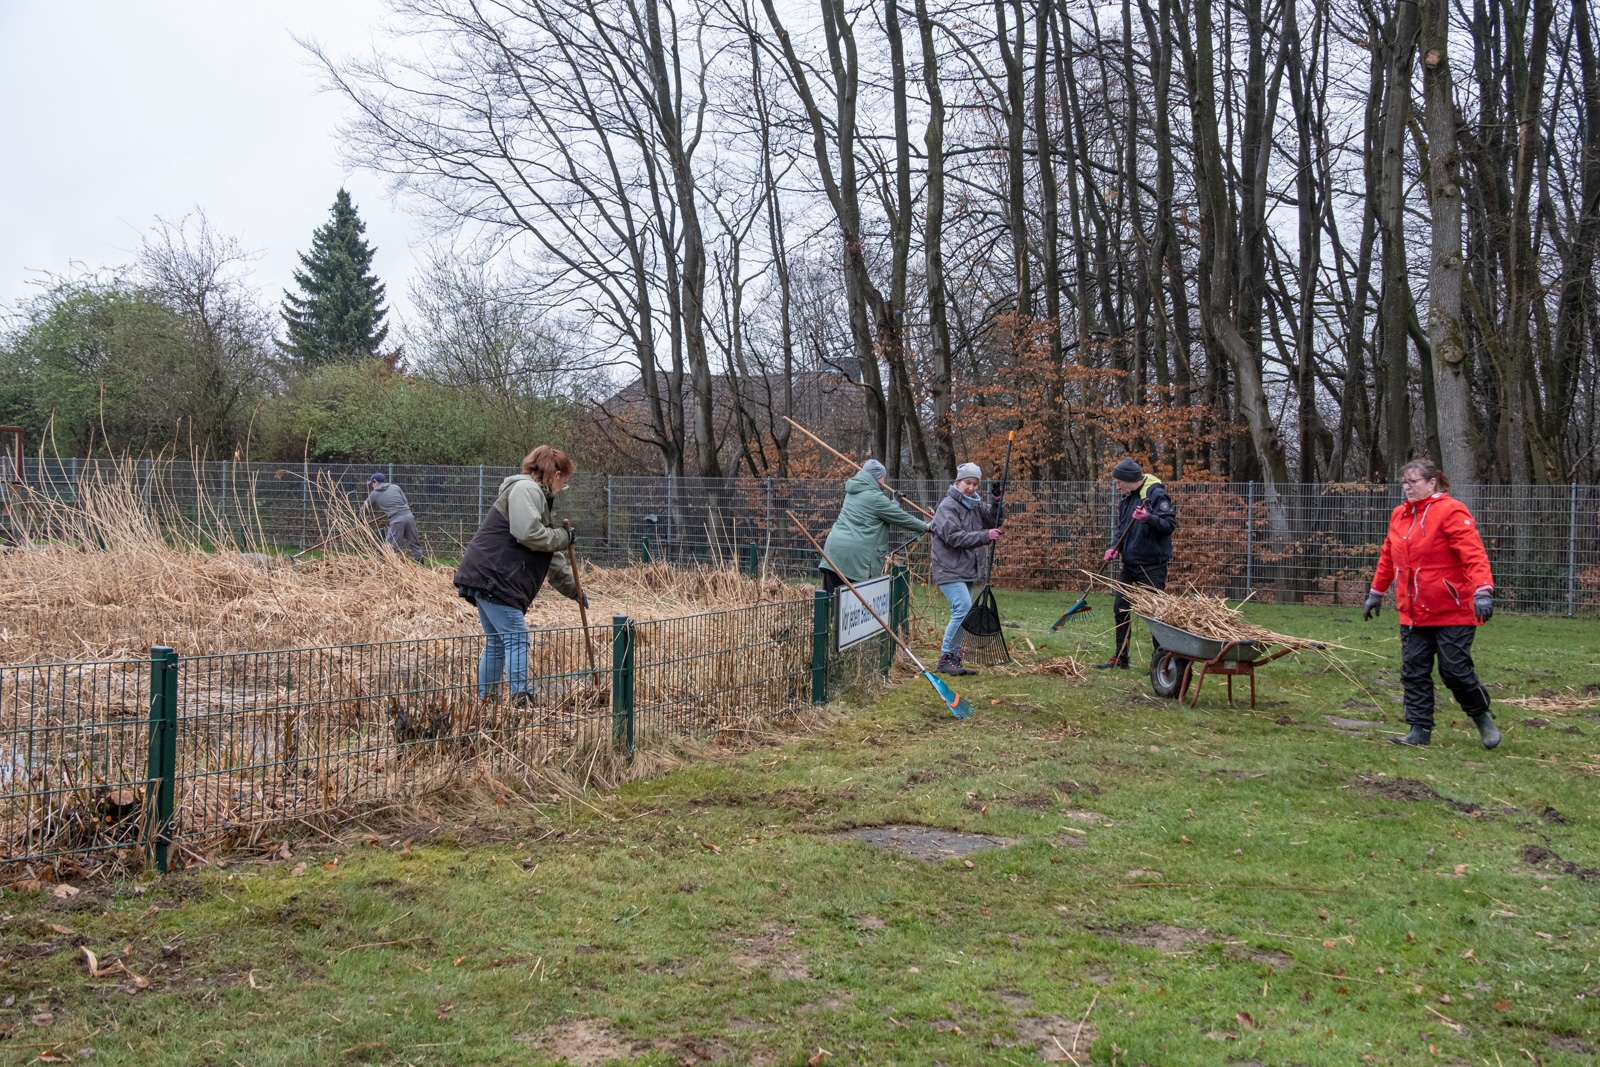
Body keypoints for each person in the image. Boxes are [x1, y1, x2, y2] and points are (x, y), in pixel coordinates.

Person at [1364, 459, 1499, 748]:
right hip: (1412, 612)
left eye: (1413, 481)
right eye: (1404, 482)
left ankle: (1482, 716)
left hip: (1453, 609)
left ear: (1431, 483)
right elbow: (1389, 555)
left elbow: (1472, 553)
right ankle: (1419, 730)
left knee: (1455, 671)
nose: (1407, 486)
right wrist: (1376, 591)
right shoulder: (1399, 514)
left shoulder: (1451, 511)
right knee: (1413, 670)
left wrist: (1483, 590)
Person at [453, 446, 585, 705]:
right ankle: (520, 699)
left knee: (497, 643)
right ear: (555, 474)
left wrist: (574, 591)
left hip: (488, 576)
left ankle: (487, 702)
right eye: (565, 483)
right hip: (495, 577)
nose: (563, 488)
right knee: (516, 638)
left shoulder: (538, 500)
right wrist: (562, 536)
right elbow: (529, 534)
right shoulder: (527, 490)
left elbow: (552, 558)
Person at [1095, 457, 1178, 670]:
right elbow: (1122, 529)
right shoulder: (1126, 498)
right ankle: (1120, 658)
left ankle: (1161, 663)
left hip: (1152, 566)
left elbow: (1169, 525)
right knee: (1120, 609)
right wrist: (1114, 548)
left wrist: (1148, 518)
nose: (1117, 485)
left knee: (1154, 616)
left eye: (1119, 481)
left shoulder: (1156, 495)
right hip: (1129, 565)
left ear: (1130, 479)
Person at [929, 462, 1002, 676]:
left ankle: (954, 657)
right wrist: (984, 536)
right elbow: (954, 537)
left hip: (966, 568)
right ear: (957, 482)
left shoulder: (975, 504)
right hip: (948, 567)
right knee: (963, 608)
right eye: (967, 483)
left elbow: (994, 519)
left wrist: (997, 502)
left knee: (963, 611)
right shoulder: (947, 506)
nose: (971, 488)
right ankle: (945, 658)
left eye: (975, 484)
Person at [818, 459, 929, 595]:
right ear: (877, 478)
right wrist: (925, 526)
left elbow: (877, 512)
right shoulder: (876, 497)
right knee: (854, 603)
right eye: (883, 478)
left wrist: (894, 502)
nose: (884, 482)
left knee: (831, 600)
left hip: (833, 553)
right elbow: (902, 518)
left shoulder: (852, 493)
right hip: (855, 558)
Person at [364, 472, 424, 563]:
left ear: (376, 482)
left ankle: (396, 571)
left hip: (396, 520)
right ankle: (422, 568)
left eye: (372, 483)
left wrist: (360, 519)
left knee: (392, 546)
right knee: (414, 543)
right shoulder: (396, 487)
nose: (372, 485)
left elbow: (365, 507)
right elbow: (405, 501)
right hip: (409, 516)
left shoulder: (374, 493)